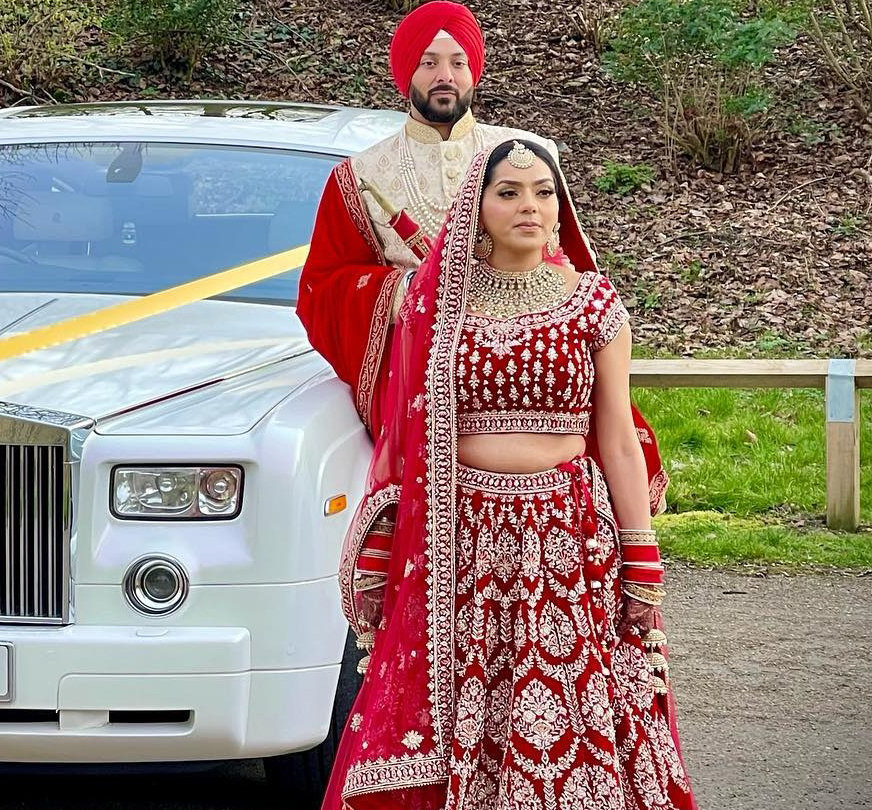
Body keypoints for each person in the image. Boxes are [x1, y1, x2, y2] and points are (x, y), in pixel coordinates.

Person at [313, 139, 696, 809]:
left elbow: (617, 438)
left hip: (569, 542)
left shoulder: (593, 304)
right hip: (464, 542)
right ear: (477, 208)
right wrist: (388, 534)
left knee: (573, 717)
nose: (529, 206)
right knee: (472, 712)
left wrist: (643, 561)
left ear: (560, 207)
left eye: (544, 192)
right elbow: (407, 424)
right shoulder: (438, 307)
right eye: (510, 192)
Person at [297, 0, 556, 432]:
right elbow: (321, 290)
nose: (445, 77)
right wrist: (407, 290)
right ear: (406, 75)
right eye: (428, 63)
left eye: (458, 63)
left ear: (474, 72)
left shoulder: (521, 154)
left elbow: (561, 259)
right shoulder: (358, 175)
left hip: (525, 361)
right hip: (419, 375)